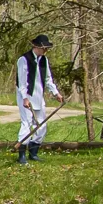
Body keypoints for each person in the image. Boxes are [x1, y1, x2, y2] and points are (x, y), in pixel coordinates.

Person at [16, 34, 63, 165]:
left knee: (41, 125)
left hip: (38, 96)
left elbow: (48, 79)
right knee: (26, 124)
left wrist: (56, 93)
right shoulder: (24, 60)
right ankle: (21, 155)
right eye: (44, 48)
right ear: (36, 47)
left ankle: (33, 152)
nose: (45, 51)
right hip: (26, 97)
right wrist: (25, 98)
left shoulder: (44, 60)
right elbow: (22, 82)